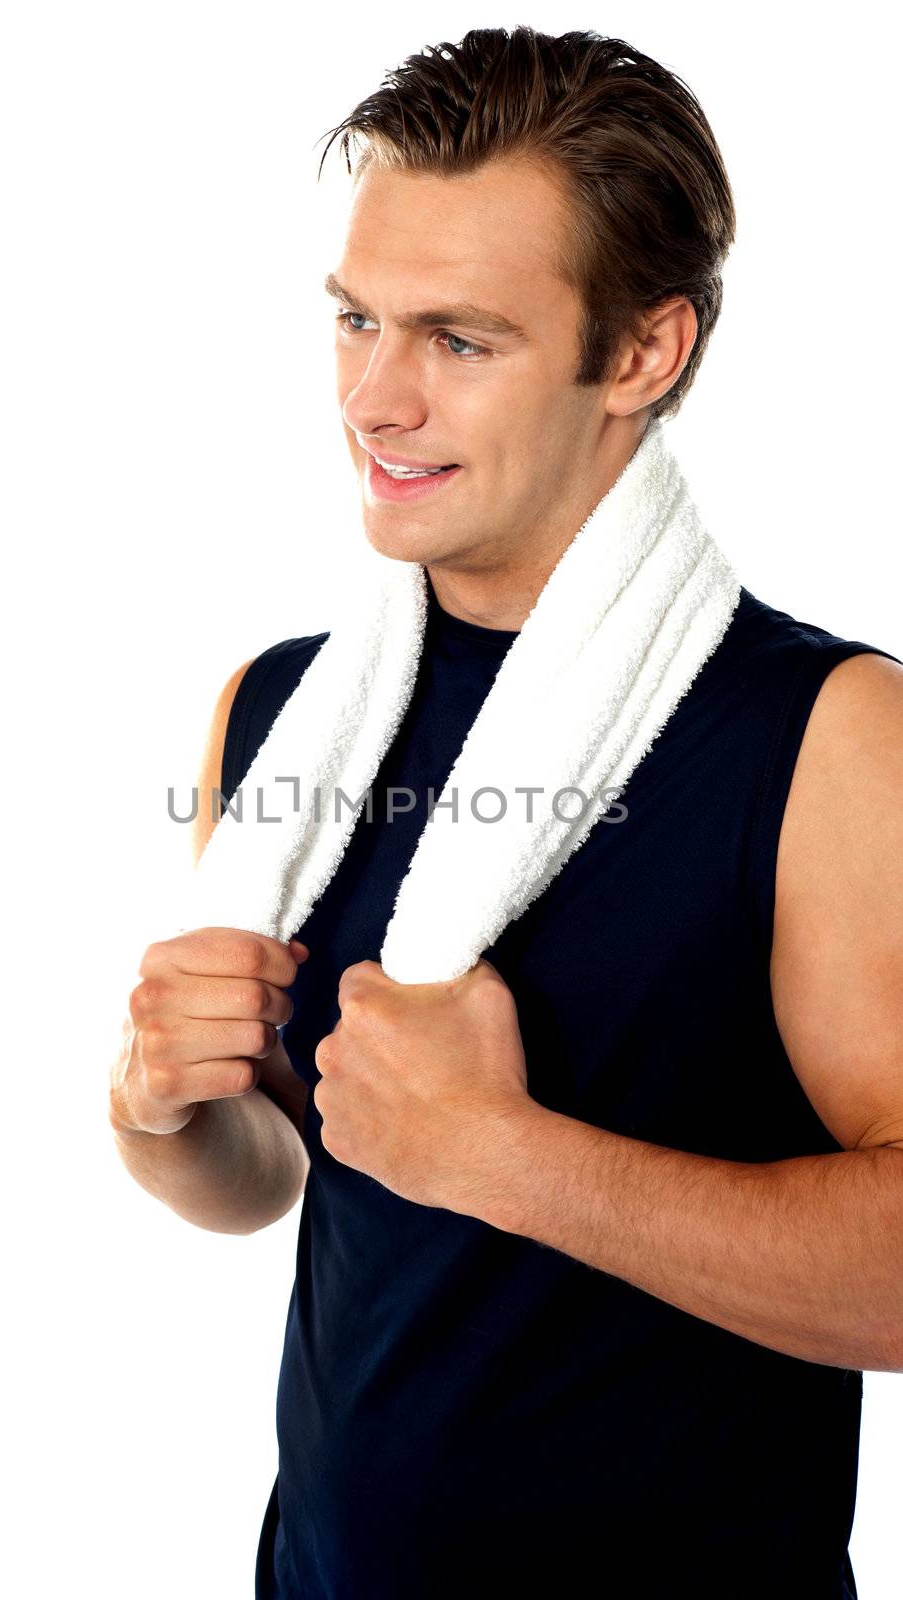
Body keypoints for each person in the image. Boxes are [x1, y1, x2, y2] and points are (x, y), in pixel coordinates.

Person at [109, 26, 903, 1598]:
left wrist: (509, 1156)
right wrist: (160, 1112)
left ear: (643, 354)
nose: (376, 400)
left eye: (460, 341)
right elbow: (287, 1173)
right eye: (356, 321)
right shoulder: (276, 716)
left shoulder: (829, 740)